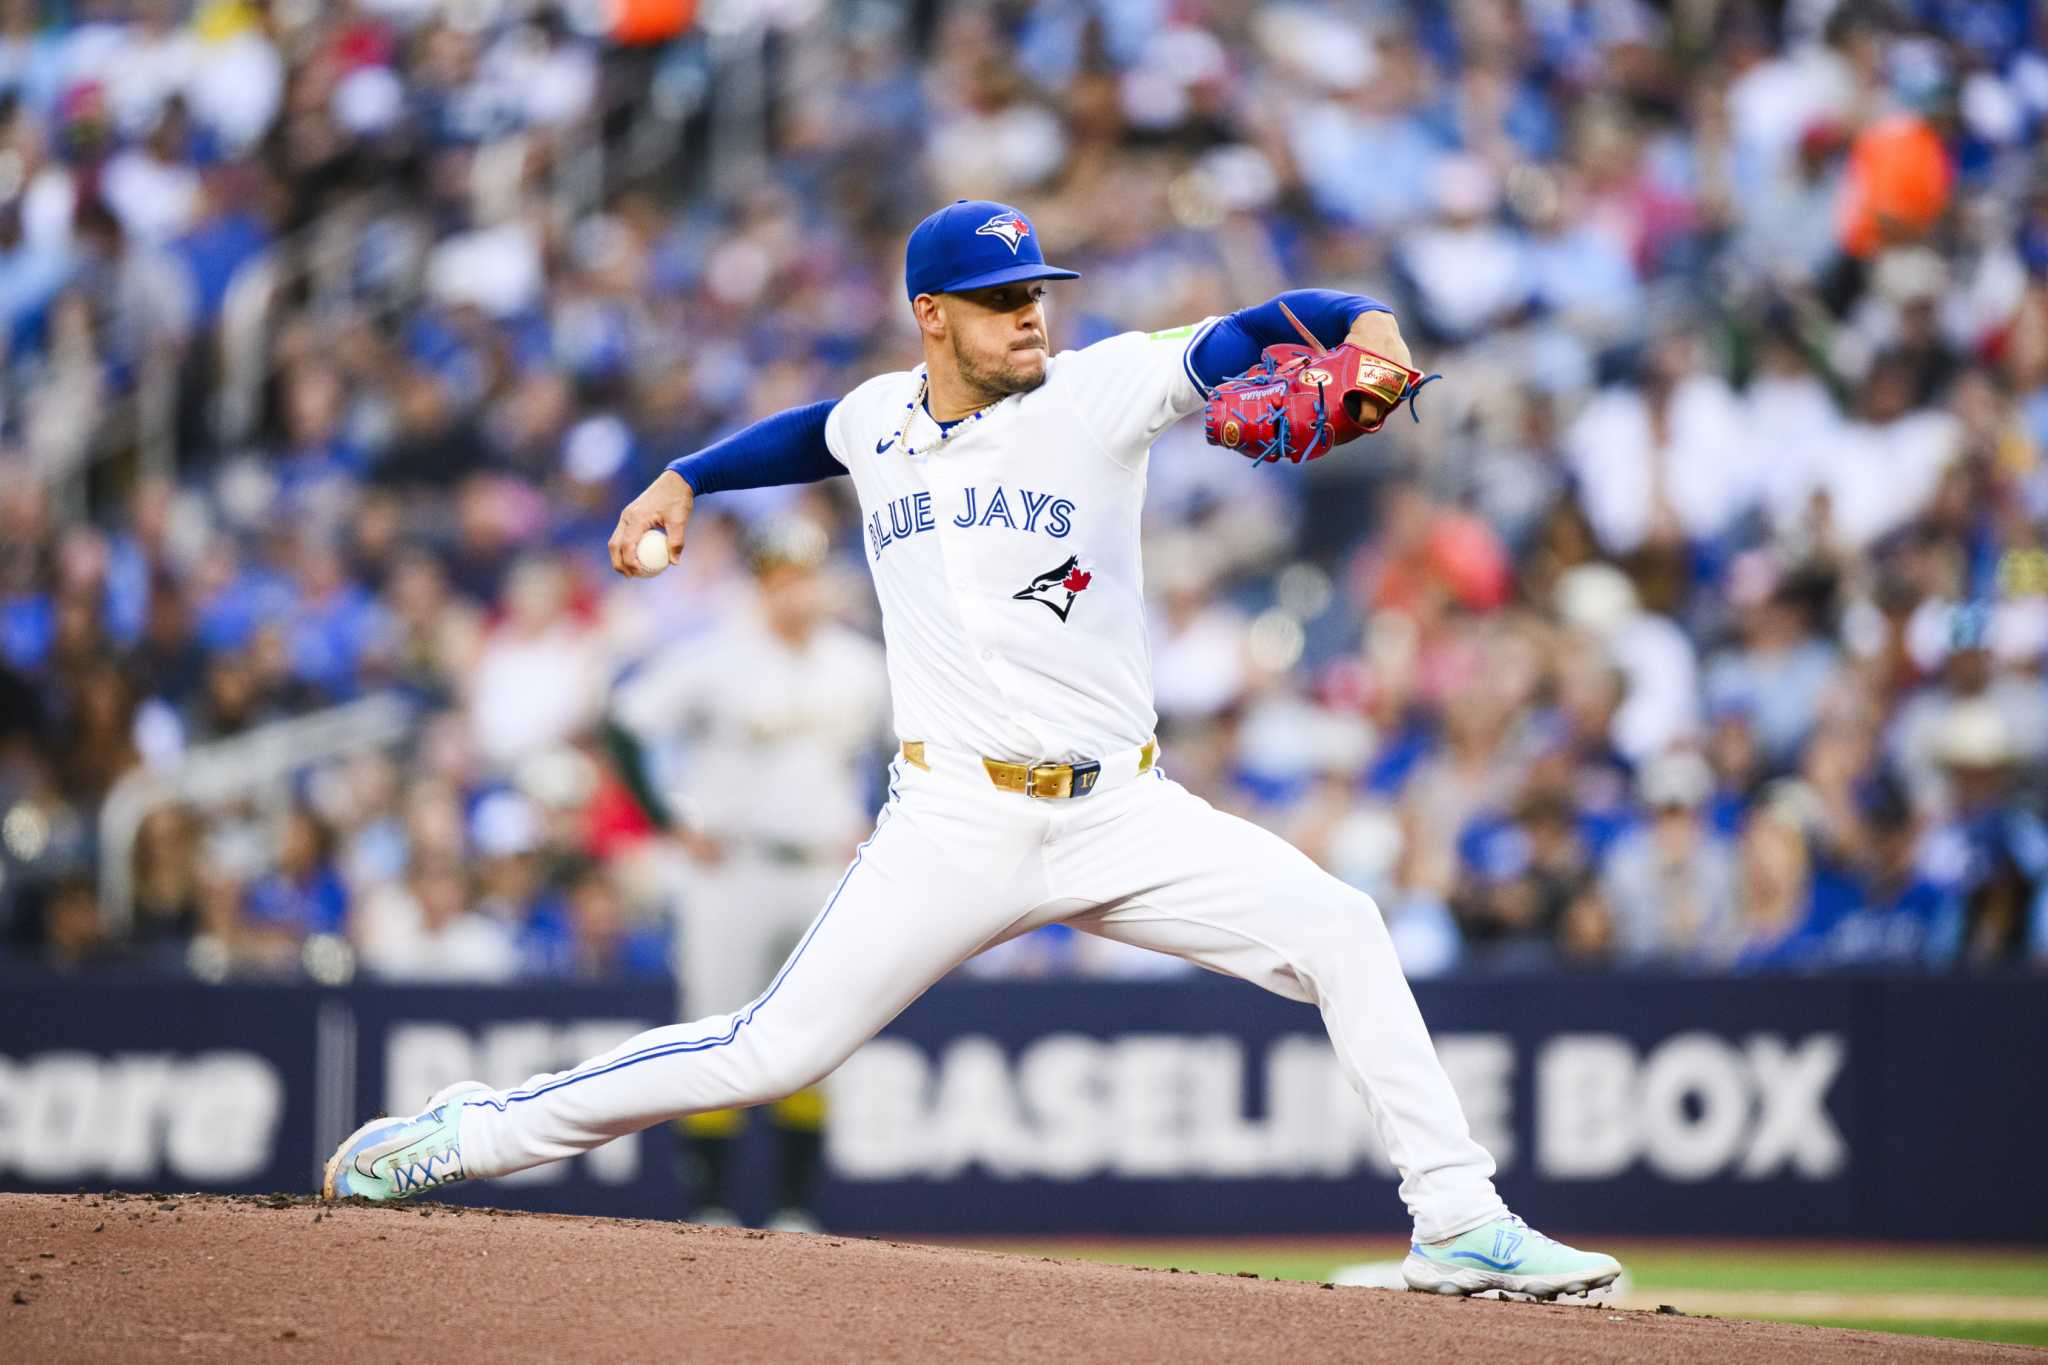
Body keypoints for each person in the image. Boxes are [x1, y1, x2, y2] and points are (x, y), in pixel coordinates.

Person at [324, 200, 1620, 1301]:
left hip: (1125, 812)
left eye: (1037, 292)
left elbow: (1298, 315)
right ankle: (471, 1135)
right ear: (931, 316)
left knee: (1342, 927)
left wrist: (1376, 342)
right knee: (769, 1052)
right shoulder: (878, 419)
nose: (1031, 316)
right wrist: (684, 478)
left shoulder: (1106, 388)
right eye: (1000, 300)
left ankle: (1454, 1217)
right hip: (953, 822)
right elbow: (806, 433)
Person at [608, 518, 889, 1230]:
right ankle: (711, 1206)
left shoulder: (858, 663)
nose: (795, 592)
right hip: (734, 866)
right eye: (781, 578)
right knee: (712, 1033)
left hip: (824, 863)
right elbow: (624, 723)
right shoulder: (716, 658)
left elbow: (911, 748)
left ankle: (796, 1207)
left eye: (805, 577)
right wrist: (670, 822)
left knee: (817, 1035)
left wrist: (880, 819)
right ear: (760, 584)